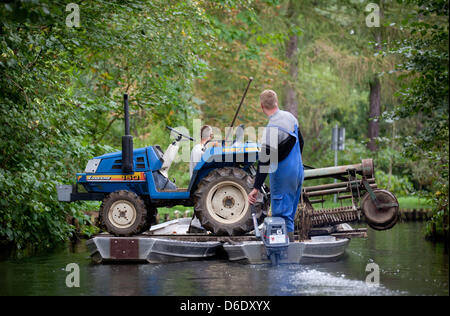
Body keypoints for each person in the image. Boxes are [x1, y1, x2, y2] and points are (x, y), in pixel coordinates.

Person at [247, 90, 304, 242]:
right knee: (290, 215)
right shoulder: (291, 118)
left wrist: (256, 188)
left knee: (281, 218)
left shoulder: (271, 129)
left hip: (283, 176)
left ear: (261, 106)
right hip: (298, 171)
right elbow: (301, 142)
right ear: (276, 102)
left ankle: (283, 257)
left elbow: (264, 162)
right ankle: (290, 248)